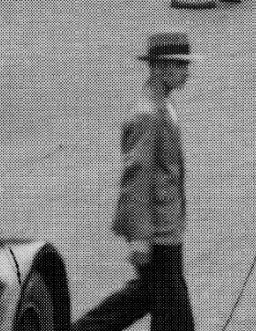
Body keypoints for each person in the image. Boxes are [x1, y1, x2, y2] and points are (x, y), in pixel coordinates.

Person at [71, 33, 197, 331]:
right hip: (157, 231)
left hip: (167, 225)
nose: (187, 72)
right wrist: (140, 237)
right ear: (160, 68)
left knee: (144, 297)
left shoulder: (163, 104)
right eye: (181, 66)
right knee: (174, 316)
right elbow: (137, 177)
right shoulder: (148, 115)